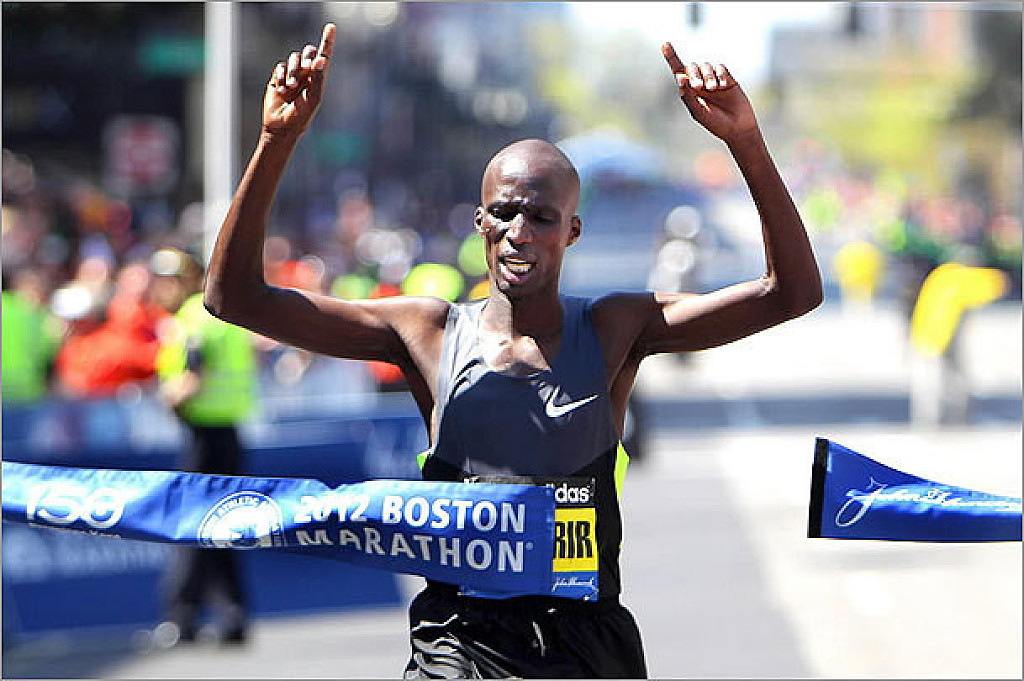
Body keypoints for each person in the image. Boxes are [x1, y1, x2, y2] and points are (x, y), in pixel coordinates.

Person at [203, 23, 822, 678]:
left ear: (571, 230)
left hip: (583, 646)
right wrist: (276, 139)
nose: (518, 233)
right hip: (458, 643)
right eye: (502, 213)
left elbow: (791, 292)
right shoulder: (428, 332)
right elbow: (233, 297)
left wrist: (745, 142)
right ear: (480, 222)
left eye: (541, 217)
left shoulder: (615, 329)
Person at [152, 247, 259, 646]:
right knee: (221, 526)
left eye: (168, 280)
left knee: (195, 524)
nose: (161, 288)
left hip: (204, 435)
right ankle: (233, 613)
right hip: (228, 431)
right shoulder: (222, 315)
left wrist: (168, 398)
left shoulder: (193, 318)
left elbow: (191, 378)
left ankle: (183, 615)